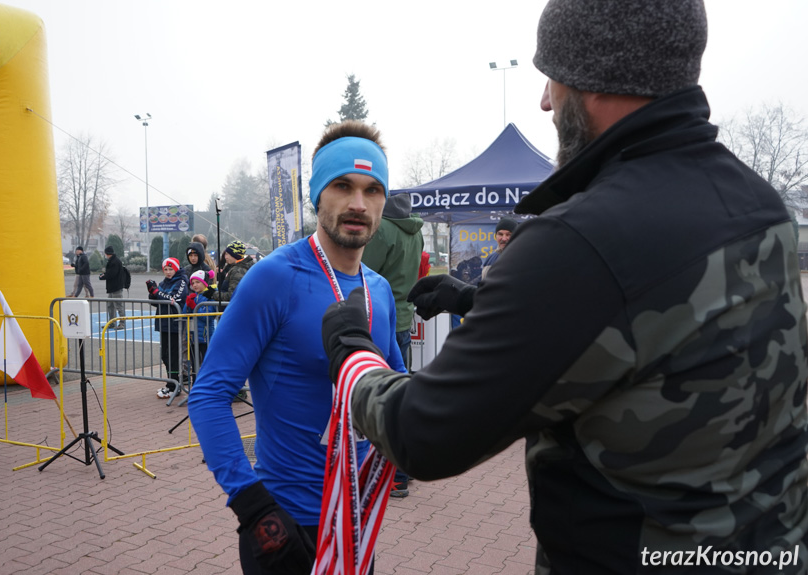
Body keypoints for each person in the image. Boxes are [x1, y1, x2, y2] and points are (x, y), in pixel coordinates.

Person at [320, 1, 808, 573]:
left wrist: (352, 354)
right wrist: (473, 298)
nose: (545, 100)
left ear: (594, 79)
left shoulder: (579, 241)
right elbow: (648, 323)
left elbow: (423, 433)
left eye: (550, 76)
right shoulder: (757, 204)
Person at [188, 120, 406, 575]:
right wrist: (252, 506)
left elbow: (395, 395)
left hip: (356, 519)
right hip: (284, 525)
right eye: (342, 185)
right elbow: (208, 395)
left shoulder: (379, 290)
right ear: (316, 195)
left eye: (372, 190)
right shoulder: (274, 277)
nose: (358, 204)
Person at [361, 192, 423, 498]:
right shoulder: (416, 231)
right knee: (399, 394)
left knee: (377, 397)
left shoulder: (383, 230)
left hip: (381, 320)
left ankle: (393, 475)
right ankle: (403, 469)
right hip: (403, 320)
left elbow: (363, 272)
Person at [147, 257, 189, 399]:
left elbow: (175, 299)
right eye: (166, 269)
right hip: (164, 323)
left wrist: (156, 292)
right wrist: (152, 292)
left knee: (173, 356)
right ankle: (171, 383)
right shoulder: (163, 283)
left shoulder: (181, 281)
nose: (168, 272)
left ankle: (175, 385)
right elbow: (156, 301)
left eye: (171, 269)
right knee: (165, 355)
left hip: (175, 324)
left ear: (176, 268)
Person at [185, 270, 216, 369]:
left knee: (206, 364)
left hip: (205, 337)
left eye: (197, 282)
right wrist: (188, 304)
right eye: (193, 283)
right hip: (192, 336)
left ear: (204, 283)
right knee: (195, 365)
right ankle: (195, 382)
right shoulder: (194, 296)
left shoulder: (209, 297)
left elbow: (207, 316)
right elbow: (183, 314)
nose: (194, 285)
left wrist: (194, 307)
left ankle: (207, 383)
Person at [479, 217, 516, 281]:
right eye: (500, 234)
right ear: (496, 236)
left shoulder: (523, 258)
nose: (504, 239)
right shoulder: (490, 259)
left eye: (508, 234)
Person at [98, 246, 125, 330]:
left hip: (115, 287)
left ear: (107, 253)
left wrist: (103, 276)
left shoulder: (114, 262)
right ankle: (112, 322)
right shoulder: (113, 261)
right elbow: (110, 273)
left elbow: (111, 274)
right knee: (110, 305)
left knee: (118, 305)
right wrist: (105, 275)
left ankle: (122, 323)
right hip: (112, 287)